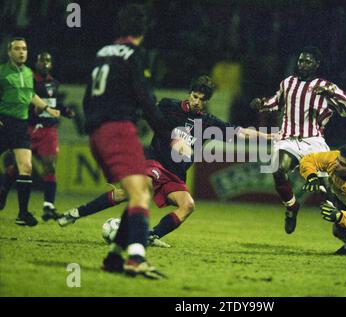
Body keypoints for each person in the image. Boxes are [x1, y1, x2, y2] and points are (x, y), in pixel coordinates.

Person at [58, 75, 272, 247]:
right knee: (136, 191)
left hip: (175, 175)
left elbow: (240, 132)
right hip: (155, 163)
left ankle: (151, 235)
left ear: (207, 101)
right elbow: (144, 111)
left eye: (201, 99)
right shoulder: (169, 106)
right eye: (194, 96)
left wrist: (267, 136)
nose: (196, 101)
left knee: (188, 205)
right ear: (189, 94)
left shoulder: (208, 123)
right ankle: (77, 213)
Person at [82, 4, 174, 279]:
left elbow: (88, 99)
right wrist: (168, 136)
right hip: (119, 130)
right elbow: (146, 100)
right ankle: (136, 258)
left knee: (137, 192)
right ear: (143, 30)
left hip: (97, 133)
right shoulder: (135, 55)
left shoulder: (102, 53)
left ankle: (113, 257)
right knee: (140, 194)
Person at [249, 46, 346, 234]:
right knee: (278, 168)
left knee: (327, 193)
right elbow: (276, 101)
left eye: (307, 61)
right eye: (300, 61)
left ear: (316, 64)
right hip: (288, 139)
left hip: (314, 141)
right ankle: (291, 207)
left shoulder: (325, 86)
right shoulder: (287, 83)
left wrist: (331, 93)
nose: (302, 64)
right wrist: (262, 104)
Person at [0, 52, 75, 221]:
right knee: (18, 166)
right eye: (42, 60)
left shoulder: (54, 82)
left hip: (48, 130)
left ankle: (48, 206)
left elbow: (54, 101)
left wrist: (64, 111)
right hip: (29, 128)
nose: (45, 63)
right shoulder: (28, 78)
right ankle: (4, 191)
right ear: (36, 62)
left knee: (50, 166)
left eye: (48, 60)